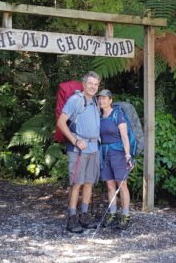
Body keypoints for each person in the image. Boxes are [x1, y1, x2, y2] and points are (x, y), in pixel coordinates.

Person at [57, 71, 102, 233]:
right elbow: (61, 122)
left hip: (93, 148)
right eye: (90, 83)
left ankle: (84, 215)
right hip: (78, 149)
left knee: (89, 182)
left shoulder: (95, 101)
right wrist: (75, 140)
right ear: (84, 84)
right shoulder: (76, 100)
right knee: (77, 184)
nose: (93, 87)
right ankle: (72, 218)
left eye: (96, 84)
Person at [96, 89, 133, 229]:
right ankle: (112, 213)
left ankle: (125, 215)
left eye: (104, 98)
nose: (101, 101)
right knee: (110, 185)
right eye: (100, 98)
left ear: (110, 100)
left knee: (122, 185)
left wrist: (128, 155)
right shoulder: (99, 117)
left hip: (118, 153)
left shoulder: (118, 114)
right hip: (104, 154)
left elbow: (124, 136)